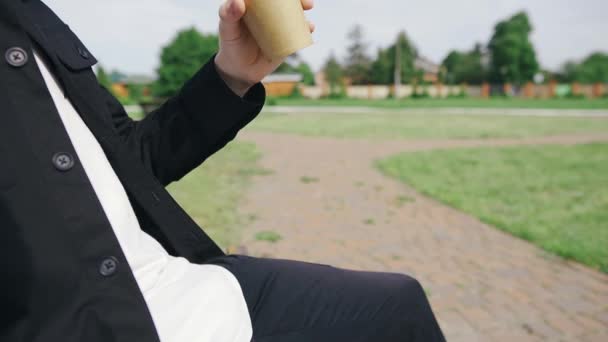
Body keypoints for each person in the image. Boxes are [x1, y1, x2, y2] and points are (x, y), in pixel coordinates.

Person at [0, 0, 445, 341]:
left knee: (396, 306)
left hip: (181, 288)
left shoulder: (25, 15)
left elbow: (131, 159)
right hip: (77, 323)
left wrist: (232, 75)